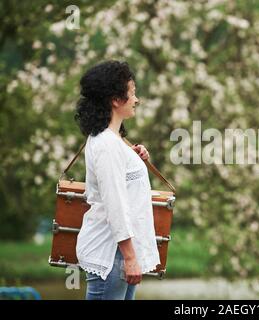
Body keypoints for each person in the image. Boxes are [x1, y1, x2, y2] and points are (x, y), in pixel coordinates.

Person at [74, 60, 160, 300]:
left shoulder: (114, 141)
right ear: (115, 99)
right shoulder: (107, 145)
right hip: (112, 253)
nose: (136, 99)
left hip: (120, 252)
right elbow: (115, 204)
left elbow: (123, 182)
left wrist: (134, 160)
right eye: (132, 93)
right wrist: (130, 258)